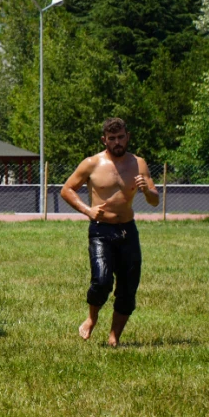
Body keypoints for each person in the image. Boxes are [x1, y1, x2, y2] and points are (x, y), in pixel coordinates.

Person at [60, 117, 159, 347]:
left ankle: (114, 336)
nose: (117, 142)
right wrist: (88, 210)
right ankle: (92, 318)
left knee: (128, 288)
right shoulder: (91, 163)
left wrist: (146, 191)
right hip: (101, 231)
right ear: (104, 140)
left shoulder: (139, 164)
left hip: (128, 231)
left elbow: (155, 200)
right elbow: (67, 190)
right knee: (102, 281)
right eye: (112, 138)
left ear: (128, 137)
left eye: (121, 137)